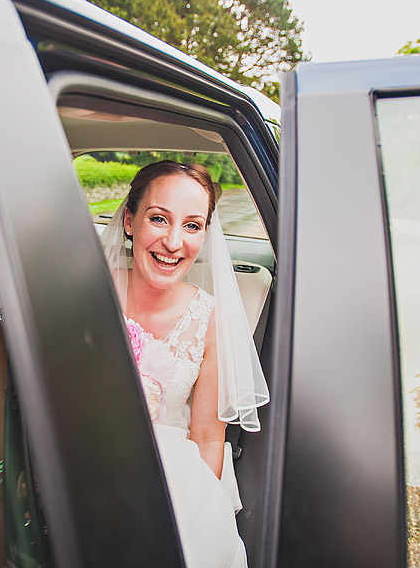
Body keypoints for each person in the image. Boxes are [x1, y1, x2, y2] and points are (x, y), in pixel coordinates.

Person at [100, 160, 269, 568]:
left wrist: (196, 514)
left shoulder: (210, 320)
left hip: (172, 481)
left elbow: (209, 438)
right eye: (159, 219)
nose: (174, 242)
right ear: (129, 221)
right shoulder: (91, 292)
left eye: (192, 226)